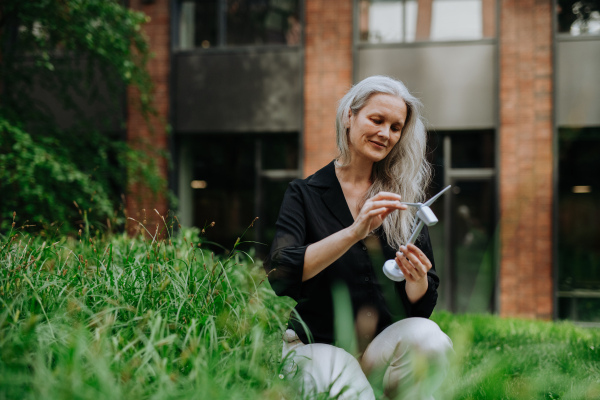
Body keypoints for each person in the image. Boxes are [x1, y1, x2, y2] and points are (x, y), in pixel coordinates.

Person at [264, 76, 453, 399]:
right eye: (377, 120)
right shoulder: (305, 194)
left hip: (380, 351)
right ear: (349, 117)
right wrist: (355, 232)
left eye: (396, 127)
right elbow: (281, 275)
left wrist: (416, 280)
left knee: (431, 339)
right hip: (318, 345)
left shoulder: (402, 198)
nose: (385, 134)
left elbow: (421, 307)